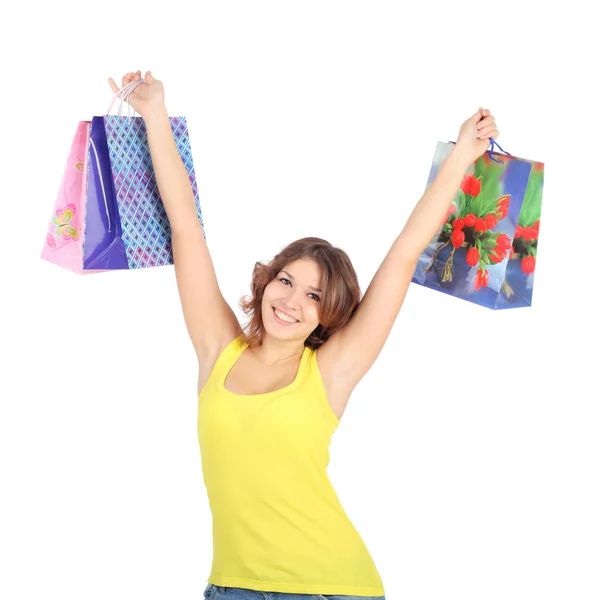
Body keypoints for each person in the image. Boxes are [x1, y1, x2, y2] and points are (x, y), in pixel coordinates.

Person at [108, 70, 499, 600]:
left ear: (329, 313)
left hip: (332, 587)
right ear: (266, 281)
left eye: (313, 296)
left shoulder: (333, 370)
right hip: (233, 587)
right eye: (286, 281)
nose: (291, 301)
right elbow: (185, 228)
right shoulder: (217, 350)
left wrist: (461, 158)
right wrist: (155, 113)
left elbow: (404, 254)